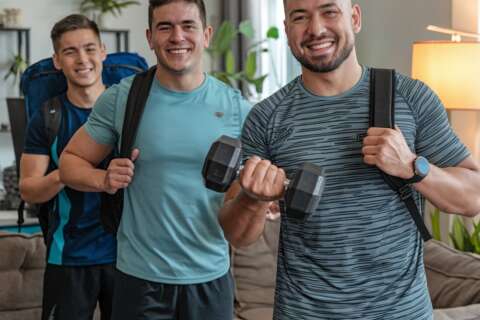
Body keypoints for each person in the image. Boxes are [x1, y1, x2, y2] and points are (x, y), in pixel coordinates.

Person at [219, 0, 480, 319]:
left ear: (354, 18)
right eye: (300, 17)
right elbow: (236, 235)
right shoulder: (267, 117)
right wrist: (252, 199)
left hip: (401, 313)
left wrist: (412, 167)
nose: (315, 29)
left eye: (329, 12)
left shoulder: (410, 97)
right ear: (287, 30)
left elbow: (473, 196)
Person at [58, 1, 251, 319]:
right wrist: (103, 179)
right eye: (165, 27)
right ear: (150, 37)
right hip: (139, 280)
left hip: (211, 279)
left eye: (188, 26)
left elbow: (256, 183)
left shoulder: (236, 108)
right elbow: (70, 162)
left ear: (206, 34)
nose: (177, 36)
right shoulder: (122, 98)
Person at [19, 14, 115, 320]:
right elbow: (29, 189)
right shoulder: (48, 116)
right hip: (69, 256)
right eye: (70, 51)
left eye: (89, 48)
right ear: (57, 61)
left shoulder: (128, 110)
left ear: (103, 52)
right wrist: (65, 173)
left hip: (129, 256)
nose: (82, 59)